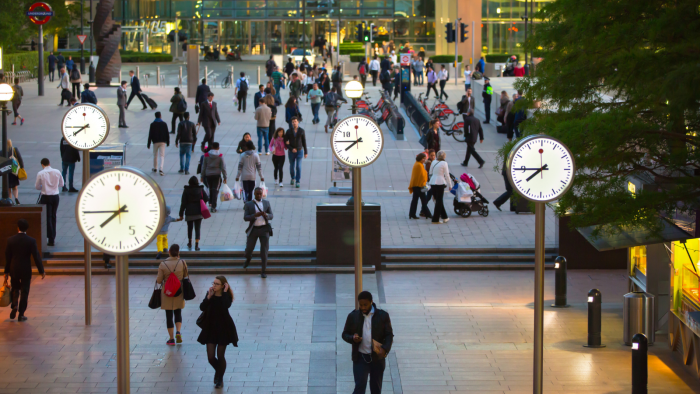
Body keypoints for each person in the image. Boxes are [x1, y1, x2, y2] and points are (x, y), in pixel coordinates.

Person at [342, 291, 394, 394]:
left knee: (376, 388)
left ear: (371, 302)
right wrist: (352, 338)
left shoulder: (383, 316)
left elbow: (389, 335)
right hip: (360, 358)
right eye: (360, 305)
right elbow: (344, 334)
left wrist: (385, 349)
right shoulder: (353, 316)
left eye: (365, 305)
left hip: (377, 358)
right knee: (360, 386)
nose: (363, 307)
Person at [197, 276, 238, 389]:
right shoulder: (210, 293)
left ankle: (219, 379)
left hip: (223, 328)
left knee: (220, 355)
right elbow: (202, 307)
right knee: (210, 357)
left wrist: (225, 292)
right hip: (210, 328)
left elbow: (226, 305)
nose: (214, 285)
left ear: (223, 286)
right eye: (213, 283)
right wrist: (208, 297)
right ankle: (218, 371)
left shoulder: (226, 296)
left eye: (217, 284)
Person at [4, 219, 45, 322]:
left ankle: (14, 306)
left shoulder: (10, 240)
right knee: (25, 291)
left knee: (15, 288)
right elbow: (36, 256)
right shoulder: (31, 241)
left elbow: (7, 257)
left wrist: (6, 272)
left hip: (14, 268)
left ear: (17, 227)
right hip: (26, 269)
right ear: (27, 228)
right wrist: (41, 270)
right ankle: (21, 314)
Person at [156, 244, 188, 345]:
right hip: (179, 290)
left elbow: (159, 280)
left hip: (167, 292)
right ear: (178, 252)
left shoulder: (162, 264)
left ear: (169, 251)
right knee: (178, 312)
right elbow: (186, 276)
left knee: (168, 315)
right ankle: (178, 332)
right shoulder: (182, 262)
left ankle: (171, 339)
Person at [242, 187, 274, 276]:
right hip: (254, 229)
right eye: (257, 194)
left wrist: (266, 215)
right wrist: (254, 215)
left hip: (264, 229)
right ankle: (248, 258)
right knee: (249, 249)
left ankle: (263, 271)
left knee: (264, 251)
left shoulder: (266, 203)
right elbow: (245, 218)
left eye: (260, 194)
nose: (259, 195)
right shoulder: (249, 204)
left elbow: (271, 215)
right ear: (254, 194)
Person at [35, 158, 63, 246]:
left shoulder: (40, 173)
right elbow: (62, 184)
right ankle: (52, 237)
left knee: (48, 217)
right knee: (54, 216)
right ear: (49, 163)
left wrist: (44, 187)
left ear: (42, 164)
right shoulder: (57, 171)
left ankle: (50, 238)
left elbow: (37, 186)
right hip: (55, 196)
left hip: (46, 196)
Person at [179, 176, 209, 251]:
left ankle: (189, 242)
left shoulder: (186, 190)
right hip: (199, 211)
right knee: (197, 228)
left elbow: (183, 202)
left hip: (189, 211)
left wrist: (181, 214)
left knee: (190, 227)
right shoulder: (200, 189)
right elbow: (206, 198)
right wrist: (202, 202)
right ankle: (196, 245)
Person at [201, 142, 227, 213]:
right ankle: (213, 206)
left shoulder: (206, 155)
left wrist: (202, 176)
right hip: (217, 175)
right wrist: (225, 177)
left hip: (208, 175)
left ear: (212, 147)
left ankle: (211, 202)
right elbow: (223, 167)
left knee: (210, 189)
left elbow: (203, 166)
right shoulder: (220, 156)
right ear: (218, 148)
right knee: (215, 190)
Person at [428, 151, 452, 224]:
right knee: (439, 201)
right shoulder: (444, 163)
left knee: (437, 200)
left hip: (432, 182)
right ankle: (435, 219)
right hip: (440, 182)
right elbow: (447, 175)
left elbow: (430, 172)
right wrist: (450, 185)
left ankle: (445, 217)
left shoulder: (433, 162)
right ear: (444, 157)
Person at [284, 117, 307, 187]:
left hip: (299, 151)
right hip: (291, 152)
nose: (294, 123)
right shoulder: (288, 131)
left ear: (298, 122)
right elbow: (285, 142)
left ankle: (297, 180)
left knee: (298, 166)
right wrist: (291, 149)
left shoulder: (301, 131)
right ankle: (292, 177)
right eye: (293, 122)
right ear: (291, 123)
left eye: (295, 121)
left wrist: (306, 151)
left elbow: (304, 141)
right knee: (291, 166)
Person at [408, 153, 432, 220]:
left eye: (425, 158)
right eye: (423, 158)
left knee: (415, 200)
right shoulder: (419, 165)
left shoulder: (417, 163)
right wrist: (426, 174)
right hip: (419, 185)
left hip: (415, 185)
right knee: (423, 200)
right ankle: (428, 214)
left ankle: (412, 214)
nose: (424, 160)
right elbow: (422, 175)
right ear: (420, 158)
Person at [7, 139, 23, 205]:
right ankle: (16, 198)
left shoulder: (2, 151)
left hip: (7, 171)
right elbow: (20, 159)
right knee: (15, 186)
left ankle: (10, 200)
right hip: (14, 169)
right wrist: (22, 168)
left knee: (8, 188)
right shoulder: (14, 150)